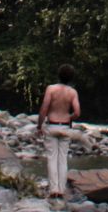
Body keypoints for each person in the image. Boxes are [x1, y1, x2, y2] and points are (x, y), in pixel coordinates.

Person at [38, 63, 81, 200]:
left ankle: (53, 189)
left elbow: (44, 108)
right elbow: (77, 112)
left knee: (52, 158)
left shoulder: (51, 89)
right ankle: (61, 191)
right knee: (63, 160)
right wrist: (69, 117)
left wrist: (39, 126)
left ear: (58, 75)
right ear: (71, 78)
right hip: (65, 127)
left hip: (52, 126)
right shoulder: (72, 92)